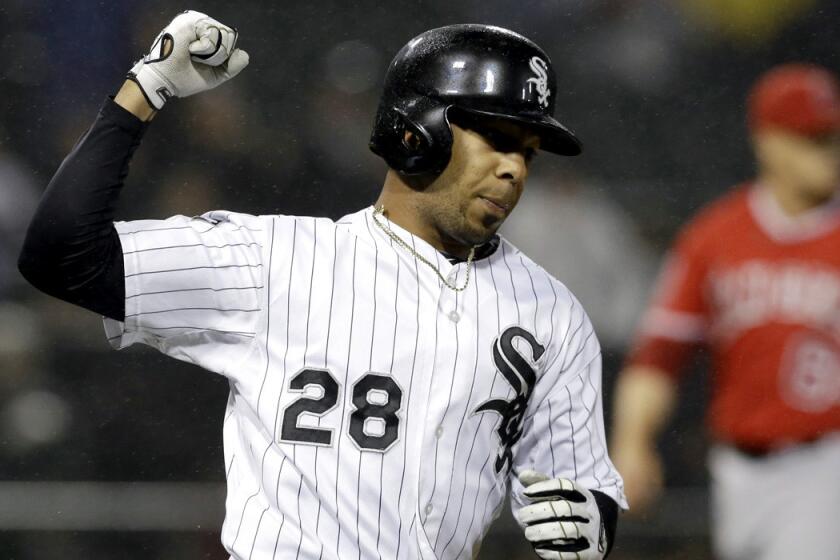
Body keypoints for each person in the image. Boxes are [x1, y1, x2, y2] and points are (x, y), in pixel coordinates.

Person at [19, 11, 626, 560]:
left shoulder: (551, 313)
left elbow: (582, 490)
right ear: (416, 132)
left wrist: (589, 528)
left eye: (528, 150)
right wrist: (143, 93)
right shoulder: (277, 259)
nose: (514, 167)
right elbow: (62, 256)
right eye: (494, 137)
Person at [611, 63, 840, 560]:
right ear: (769, 142)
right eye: (813, 139)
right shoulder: (715, 237)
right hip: (736, 472)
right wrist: (632, 441)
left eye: (832, 137)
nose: (829, 153)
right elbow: (659, 355)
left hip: (827, 463)